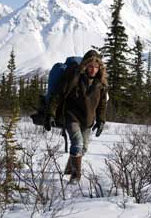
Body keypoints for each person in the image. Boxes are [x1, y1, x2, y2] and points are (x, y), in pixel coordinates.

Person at [44, 50, 108, 184]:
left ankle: (69, 169)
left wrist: (101, 120)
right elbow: (58, 95)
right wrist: (50, 113)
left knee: (83, 149)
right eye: (90, 66)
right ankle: (75, 176)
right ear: (85, 65)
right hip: (72, 116)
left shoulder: (100, 84)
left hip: (88, 120)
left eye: (96, 67)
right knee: (77, 143)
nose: (93, 70)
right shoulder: (75, 78)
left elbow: (102, 104)